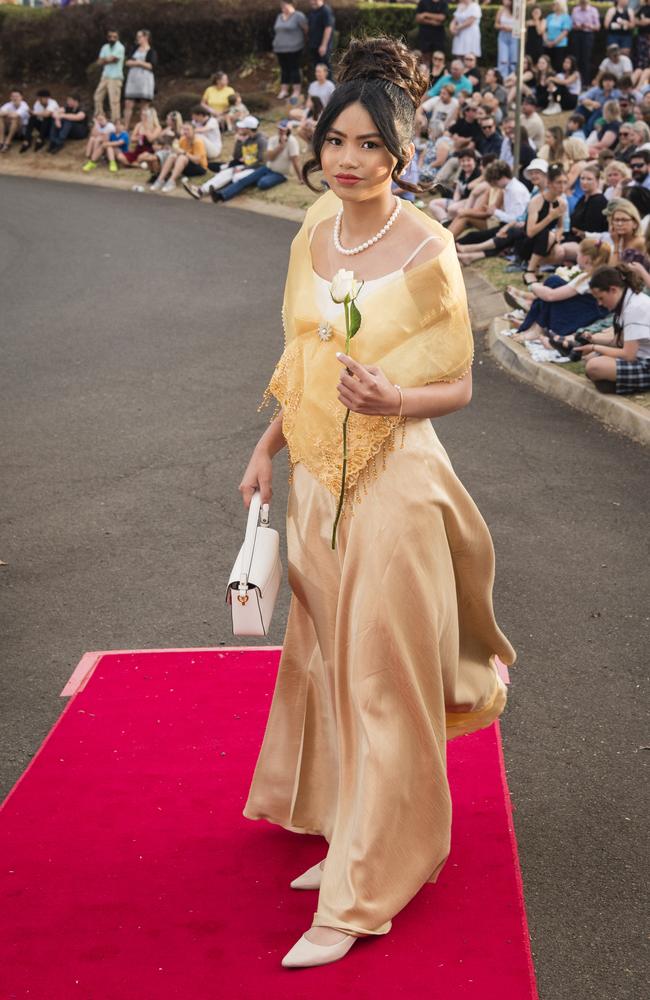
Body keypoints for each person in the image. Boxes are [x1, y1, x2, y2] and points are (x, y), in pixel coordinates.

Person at [239, 35, 514, 970]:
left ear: (400, 152)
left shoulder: (430, 247)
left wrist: (397, 398)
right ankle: (354, 827)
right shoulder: (313, 230)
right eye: (336, 141)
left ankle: (366, 890)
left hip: (395, 482)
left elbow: (463, 385)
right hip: (315, 480)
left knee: (381, 677)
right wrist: (267, 446)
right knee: (326, 663)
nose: (349, 159)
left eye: (369, 145)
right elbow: (302, 357)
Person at [511, 237, 611, 344]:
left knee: (553, 282)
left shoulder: (587, 278)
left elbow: (551, 296)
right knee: (552, 287)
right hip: (584, 317)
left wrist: (532, 283)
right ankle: (534, 325)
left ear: (586, 258)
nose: (577, 257)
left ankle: (536, 328)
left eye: (578, 254)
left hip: (575, 323)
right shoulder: (601, 274)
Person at [574, 264, 650, 394]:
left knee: (594, 367)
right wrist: (592, 340)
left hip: (645, 362)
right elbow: (619, 342)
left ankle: (620, 384)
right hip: (641, 356)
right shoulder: (627, 300)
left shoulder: (635, 307)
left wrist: (594, 347)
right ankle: (617, 384)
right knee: (591, 360)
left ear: (613, 290)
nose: (600, 303)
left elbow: (628, 355)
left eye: (601, 298)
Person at [208, 118, 303, 202]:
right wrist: (280, 147)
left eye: (284, 130)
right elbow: (270, 158)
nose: (281, 131)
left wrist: (300, 178)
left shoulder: (292, 142)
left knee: (262, 183)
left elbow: (295, 161)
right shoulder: (273, 140)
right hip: (267, 168)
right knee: (244, 180)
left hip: (281, 173)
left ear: (289, 131)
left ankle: (256, 181)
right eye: (280, 129)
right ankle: (221, 195)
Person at [181, 115, 267, 200]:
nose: (240, 129)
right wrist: (239, 142)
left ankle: (221, 193)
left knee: (237, 176)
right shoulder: (247, 139)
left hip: (255, 169)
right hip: (246, 166)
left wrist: (244, 168)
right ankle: (201, 190)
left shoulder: (261, 140)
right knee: (225, 173)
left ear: (248, 129)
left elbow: (261, 161)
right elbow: (236, 157)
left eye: (243, 127)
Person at [151, 121, 207, 193]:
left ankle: (172, 182)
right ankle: (160, 180)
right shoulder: (182, 139)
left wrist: (184, 153)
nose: (185, 131)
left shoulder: (198, 142)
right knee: (172, 156)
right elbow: (177, 153)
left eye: (188, 129)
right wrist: (174, 150)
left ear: (193, 131)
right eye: (184, 129)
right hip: (185, 165)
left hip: (199, 168)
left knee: (182, 157)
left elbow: (197, 161)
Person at [273, 1, 308, 102]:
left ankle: (296, 91)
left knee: (294, 69)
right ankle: (284, 90)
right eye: (281, 6)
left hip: (294, 48)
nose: (283, 7)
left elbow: (306, 29)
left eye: (285, 5)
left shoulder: (298, 16)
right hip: (280, 49)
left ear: (291, 4)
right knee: (284, 69)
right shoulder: (279, 16)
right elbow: (277, 30)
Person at [123, 29, 157, 129]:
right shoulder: (134, 49)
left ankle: (144, 128)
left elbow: (151, 65)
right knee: (128, 103)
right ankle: (126, 127)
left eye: (139, 36)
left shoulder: (151, 51)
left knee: (144, 105)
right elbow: (127, 62)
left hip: (145, 81)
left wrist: (138, 63)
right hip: (133, 80)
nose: (137, 39)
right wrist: (139, 63)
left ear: (146, 37)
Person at [93, 28, 125, 125]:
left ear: (118, 37)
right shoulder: (105, 47)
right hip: (105, 76)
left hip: (115, 77)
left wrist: (105, 60)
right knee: (97, 97)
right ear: (107, 37)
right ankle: (100, 119)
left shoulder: (120, 47)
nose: (112, 38)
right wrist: (107, 59)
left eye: (114, 37)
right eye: (110, 36)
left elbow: (114, 59)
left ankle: (115, 122)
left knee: (114, 101)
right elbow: (99, 62)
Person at [571, 0, 601, 86]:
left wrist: (589, 26)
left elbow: (597, 26)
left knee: (586, 59)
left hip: (588, 35)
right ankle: (575, 81)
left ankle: (585, 82)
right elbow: (571, 24)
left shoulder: (593, 10)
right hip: (577, 34)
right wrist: (577, 26)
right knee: (576, 58)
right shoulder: (575, 10)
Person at [415, 0, 449, 71]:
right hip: (424, 34)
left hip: (438, 34)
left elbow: (441, 18)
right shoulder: (423, 2)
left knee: (438, 56)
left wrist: (426, 14)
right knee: (425, 56)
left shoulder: (443, 3)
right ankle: (426, 75)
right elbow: (418, 18)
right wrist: (433, 21)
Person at [307, 0, 335, 77]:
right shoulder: (313, 11)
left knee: (326, 70)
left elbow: (328, 28)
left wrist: (323, 45)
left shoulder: (326, 10)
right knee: (318, 71)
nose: (312, 2)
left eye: (315, 0)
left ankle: (331, 88)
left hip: (323, 48)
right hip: (314, 46)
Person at [542, 0, 573, 72]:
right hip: (547, 44)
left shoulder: (566, 17)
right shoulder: (550, 16)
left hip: (560, 45)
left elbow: (565, 32)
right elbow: (545, 30)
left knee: (558, 64)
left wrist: (554, 42)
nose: (553, 6)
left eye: (555, 4)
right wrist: (546, 41)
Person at [496, 0, 518, 78]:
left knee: (513, 60)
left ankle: (513, 78)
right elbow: (496, 24)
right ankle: (503, 78)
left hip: (514, 37)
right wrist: (502, 27)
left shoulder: (517, 10)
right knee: (503, 60)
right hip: (503, 36)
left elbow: (520, 25)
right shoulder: (501, 9)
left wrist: (511, 29)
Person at [636, 4, 650, 71]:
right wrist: (641, 22)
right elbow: (635, 19)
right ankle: (642, 73)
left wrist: (648, 21)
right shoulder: (643, 8)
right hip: (642, 36)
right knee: (642, 58)